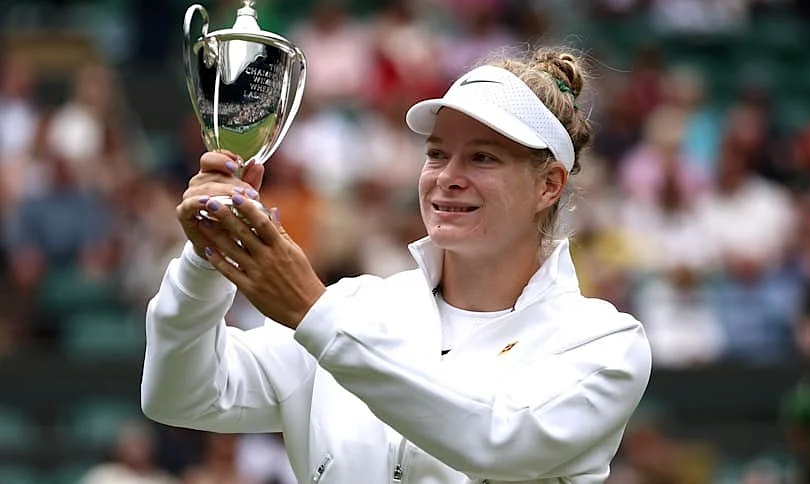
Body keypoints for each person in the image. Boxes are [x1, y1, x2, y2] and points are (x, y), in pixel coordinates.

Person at [141, 47, 652, 483]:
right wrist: (207, 254)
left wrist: (314, 314)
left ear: (549, 185)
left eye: (483, 158)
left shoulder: (603, 343)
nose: (447, 177)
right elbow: (179, 395)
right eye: (436, 154)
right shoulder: (357, 308)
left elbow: (498, 439)